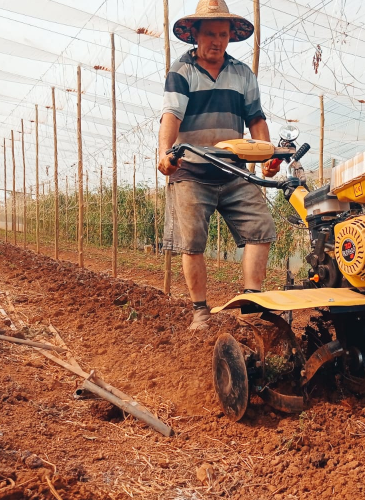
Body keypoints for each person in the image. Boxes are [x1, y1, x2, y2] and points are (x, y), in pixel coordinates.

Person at [158, 0, 280, 331]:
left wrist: (267, 155)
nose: (217, 41)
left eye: (223, 34)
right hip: (192, 171)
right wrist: (165, 153)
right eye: (210, 33)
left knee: (260, 228)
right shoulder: (181, 71)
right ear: (195, 34)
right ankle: (200, 311)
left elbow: (256, 117)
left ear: (230, 36)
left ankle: (250, 304)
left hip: (234, 171)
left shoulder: (242, 74)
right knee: (192, 240)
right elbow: (171, 115)